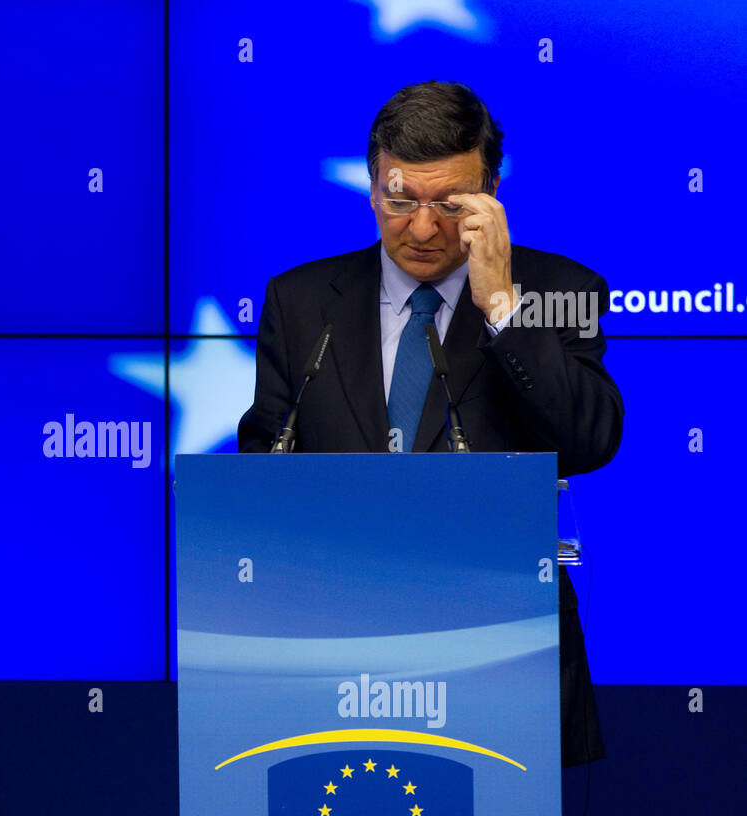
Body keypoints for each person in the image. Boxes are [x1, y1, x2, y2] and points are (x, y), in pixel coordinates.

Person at [238, 81, 622, 766]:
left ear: (490, 194)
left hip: (505, 656)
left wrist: (503, 306)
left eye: (448, 204)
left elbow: (589, 441)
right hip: (335, 659)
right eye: (399, 199)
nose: (421, 228)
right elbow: (265, 466)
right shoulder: (299, 303)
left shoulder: (560, 292)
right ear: (371, 184)